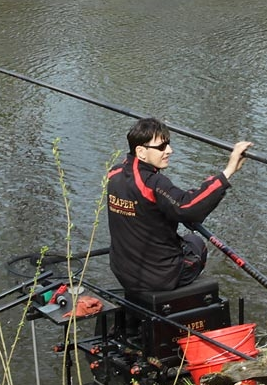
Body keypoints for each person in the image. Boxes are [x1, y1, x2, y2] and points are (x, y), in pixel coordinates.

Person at [107, 117, 252, 293]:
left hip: (122, 272)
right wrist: (228, 171)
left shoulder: (114, 173)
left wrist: (183, 201)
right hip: (159, 277)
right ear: (141, 151)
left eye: (168, 144)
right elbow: (188, 210)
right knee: (197, 243)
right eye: (161, 147)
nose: (169, 150)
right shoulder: (153, 182)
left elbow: (161, 202)